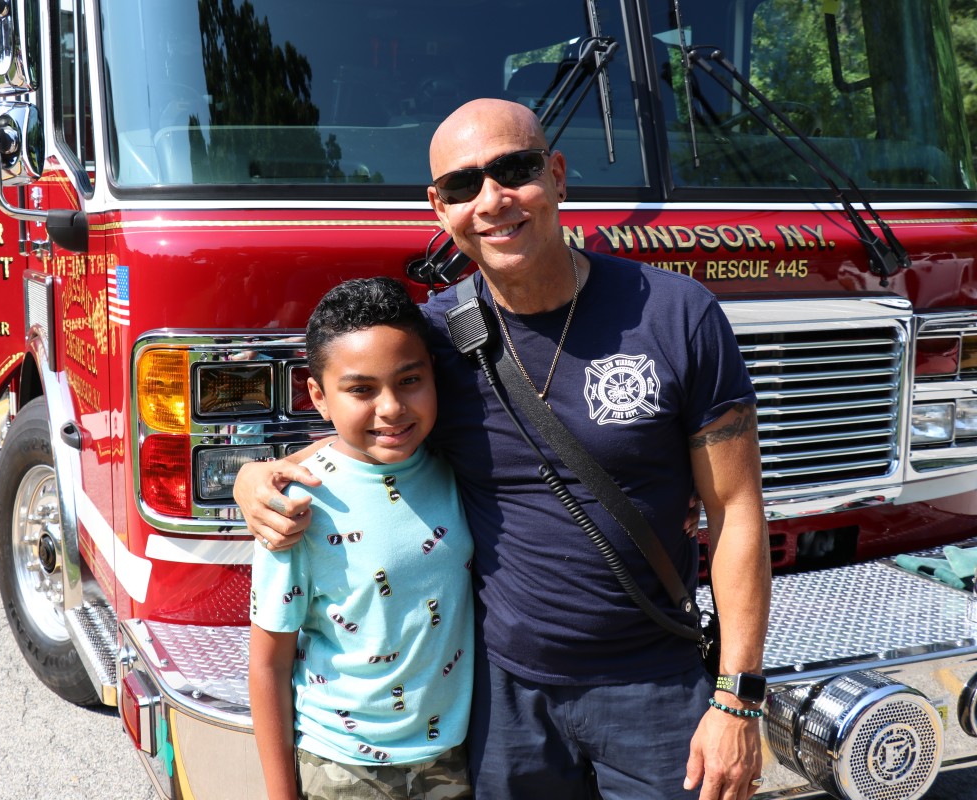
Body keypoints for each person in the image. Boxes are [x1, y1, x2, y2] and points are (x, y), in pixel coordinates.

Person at [237, 98, 770, 800]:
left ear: (556, 175)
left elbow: (736, 510)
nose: (492, 200)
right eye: (463, 186)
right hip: (500, 704)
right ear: (439, 208)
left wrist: (738, 698)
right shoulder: (433, 339)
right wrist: (256, 476)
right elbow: (367, 419)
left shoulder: (675, 313)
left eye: (514, 170)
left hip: (655, 685)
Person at [249, 276, 475, 800]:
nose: (392, 407)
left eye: (409, 380)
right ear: (319, 396)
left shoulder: (458, 467)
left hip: (453, 759)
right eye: (360, 390)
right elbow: (268, 662)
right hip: (342, 770)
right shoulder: (295, 505)